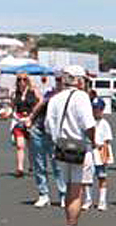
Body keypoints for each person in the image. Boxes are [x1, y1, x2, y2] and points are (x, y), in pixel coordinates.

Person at [45, 65, 95, 226]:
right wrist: (94, 141)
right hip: (79, 146)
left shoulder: (55, 98)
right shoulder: (81, 97)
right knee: (76, 190)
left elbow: (48, 126)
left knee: (68, 188)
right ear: (80, 80)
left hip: (61, 147)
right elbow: (88, 124)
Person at [28, 78, 66, 207]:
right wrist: (31, 119)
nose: (60, 82)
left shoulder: (69, 96)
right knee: (39, 164)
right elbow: (41, 104)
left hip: (55, 134)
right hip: (39, 129)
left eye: (62, 80)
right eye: (58, 80)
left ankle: (63, 194)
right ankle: (43, 194)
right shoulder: (51, 93)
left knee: (58, 166)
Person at [10, 72, 39, 176]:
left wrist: (33, 115)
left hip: (31, 120)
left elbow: (41, 102)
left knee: (32, 146)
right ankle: (20, 168)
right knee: (20, 145)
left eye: (24, 79)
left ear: (28, 81)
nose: (22, 82)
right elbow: (12, 106)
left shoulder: (33, 90)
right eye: (19, 80)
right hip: (19, 120)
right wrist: (8, 112)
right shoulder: (15, 93)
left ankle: (32, 166)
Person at [88, 97, 112, 211]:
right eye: (94, 109)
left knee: (101, 177)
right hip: (89, 152)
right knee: (87, 178)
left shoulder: (104, 124)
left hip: (100, 153)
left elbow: (107, 141)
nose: (96, 111)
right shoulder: (89, 122)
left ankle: (102, 201)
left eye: (98, 109)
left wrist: (105, 156)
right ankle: (88, 200)